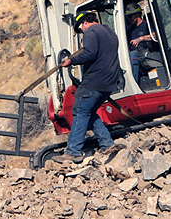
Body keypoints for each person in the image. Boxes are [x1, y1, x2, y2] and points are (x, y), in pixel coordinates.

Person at [52, 12, 122, 163]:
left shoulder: (91, 31)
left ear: (84, 22)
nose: (82, 32)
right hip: (109, 83)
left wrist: (71, 61)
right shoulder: (110, 32)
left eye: (81, 28)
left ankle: (73, 151)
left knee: (79, 111)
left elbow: (90, 53)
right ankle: (107, 144)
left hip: (94, 81)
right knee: (89, 112)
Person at [126, 6, 154, 80]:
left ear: (137, 15)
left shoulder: (146, 24)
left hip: (145, 51)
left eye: (130, 16)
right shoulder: (131, 30)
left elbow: (155, 35)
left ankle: (134, 81)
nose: (129, 19)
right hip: (133, 51)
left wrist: (140, 39)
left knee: (132, 56)